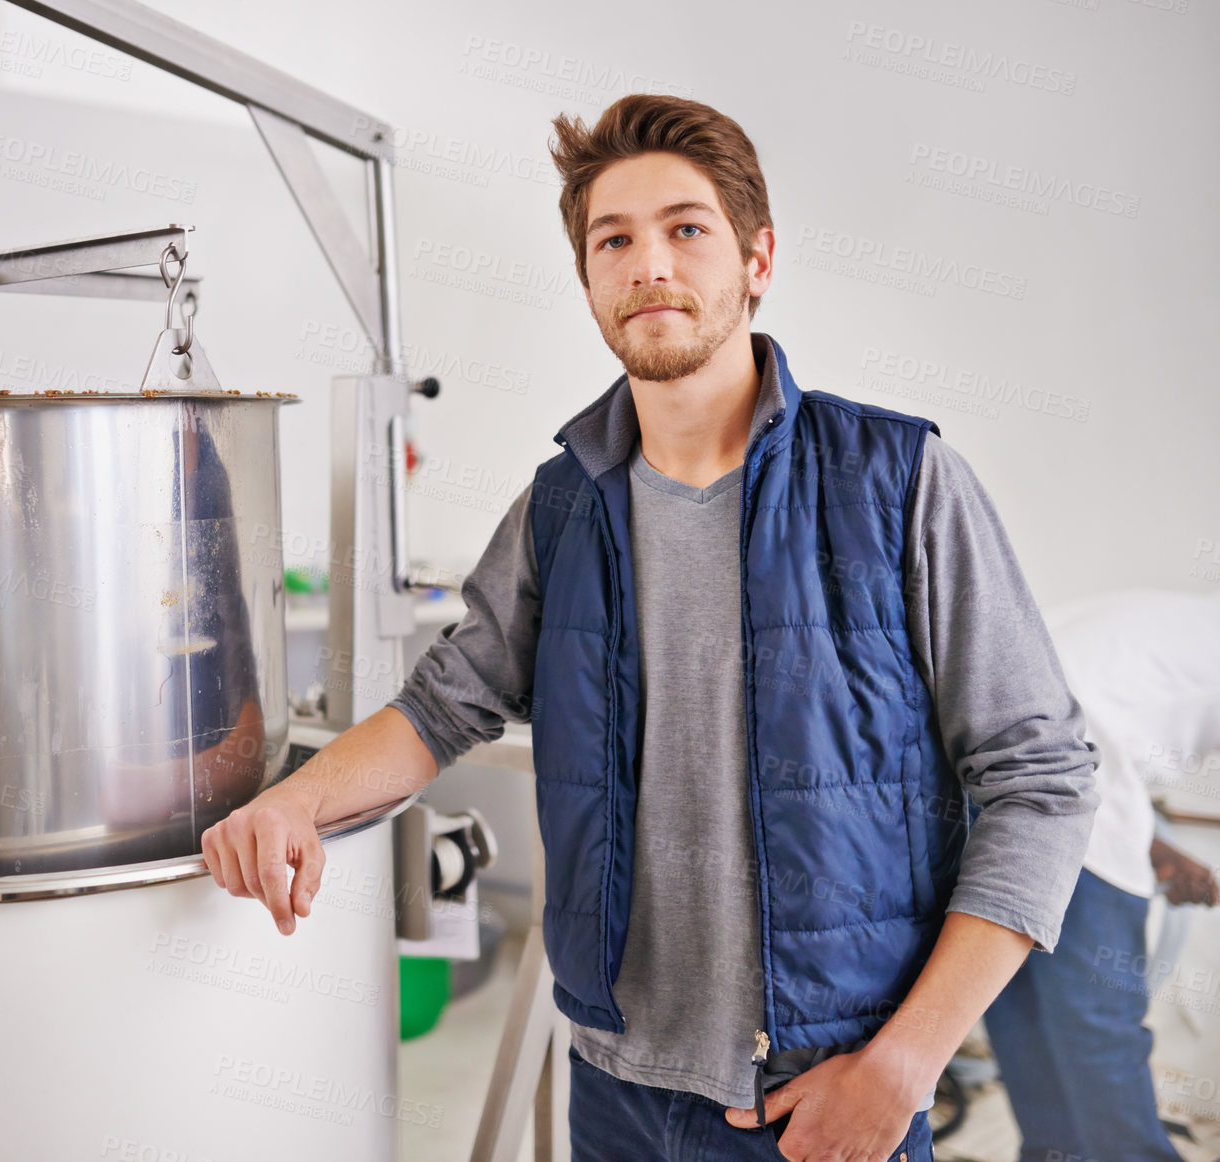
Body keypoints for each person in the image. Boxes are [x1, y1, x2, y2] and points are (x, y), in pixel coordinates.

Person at [200, 94, 1100, 1162]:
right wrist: (297, 794)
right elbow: (447, 702)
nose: (648, 264)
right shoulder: (563, 504)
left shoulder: (897, 483)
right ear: (588, 281)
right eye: (612, 240)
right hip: (614, 1093)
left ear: (757, 259)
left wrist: (906, 1066)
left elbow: (1042, 779)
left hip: (821, 1094)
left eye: (686, 229)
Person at [984, 589, 1220, 1162]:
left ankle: (1052, 1152)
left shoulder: (1177, 617)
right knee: (1096, 1024)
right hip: (1062, 778)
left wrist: (1155, 846)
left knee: (1024, 1004)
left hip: (980, 776)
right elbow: (1086, 738)